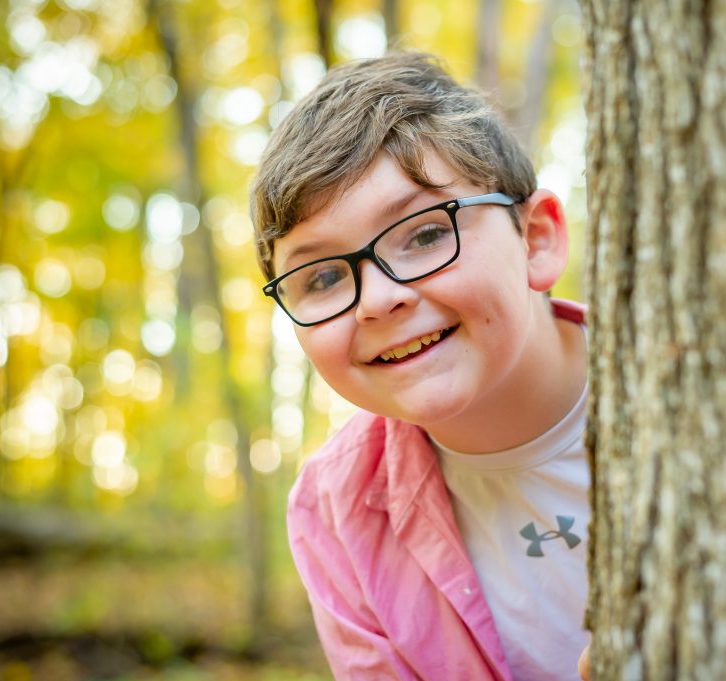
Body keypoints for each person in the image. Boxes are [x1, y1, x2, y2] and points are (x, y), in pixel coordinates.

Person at [251, 51, 590, 680]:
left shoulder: (715, 392)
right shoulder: (337, 512)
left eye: (427, 234)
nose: (380, 300)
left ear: (536, 239)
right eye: (323, 276)